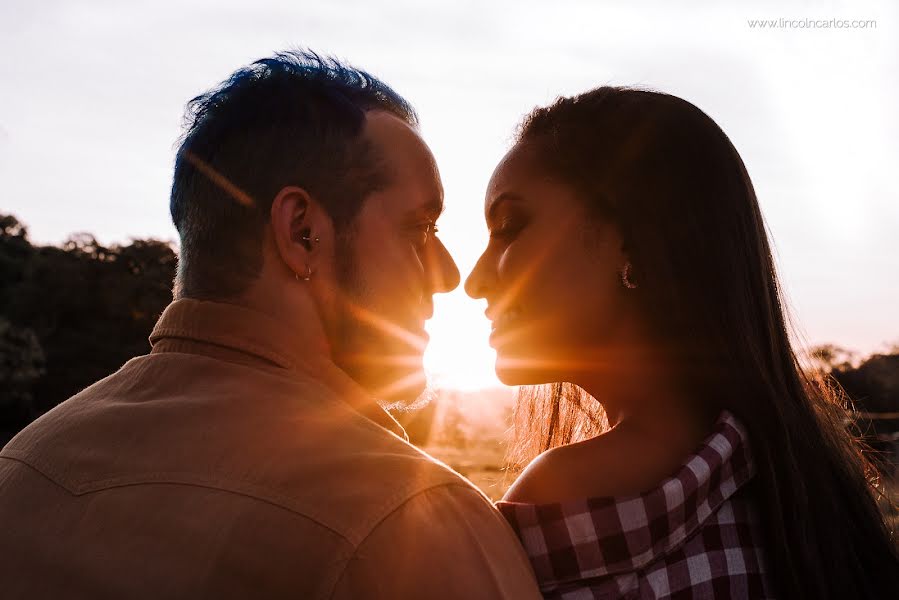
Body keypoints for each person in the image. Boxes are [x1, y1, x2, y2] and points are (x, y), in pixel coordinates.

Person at [0, 50, 541, 599]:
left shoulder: (22, 467)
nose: (448, 275)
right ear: (302, 231)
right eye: (419, 229)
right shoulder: (410, 525)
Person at [465, 87, 899, 599]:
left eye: (509, 227)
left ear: (627, 239)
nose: (474, 281)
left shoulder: (568, 491)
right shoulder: (795, 478)